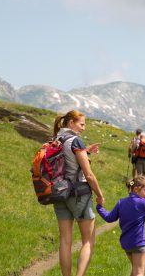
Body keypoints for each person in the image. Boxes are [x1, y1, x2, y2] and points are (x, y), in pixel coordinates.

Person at [52, 110, 105, 276]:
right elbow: (88, 174)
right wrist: (100, 194)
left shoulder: (56, 139)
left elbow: (66, 162)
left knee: (65, 241)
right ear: (71, 123)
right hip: (79, 194)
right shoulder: (75, 141)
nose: (83, 128)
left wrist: (86, 151)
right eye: (81, 124)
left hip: (59, 194)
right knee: (88, 241)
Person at [96, 176, 145, 276]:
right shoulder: (142, 203)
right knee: (139, 272)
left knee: (134, 270)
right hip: (138, 242)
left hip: (126, 244)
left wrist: (99, 207)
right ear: (136, 189)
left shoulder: (121, 202)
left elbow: (109, 218)